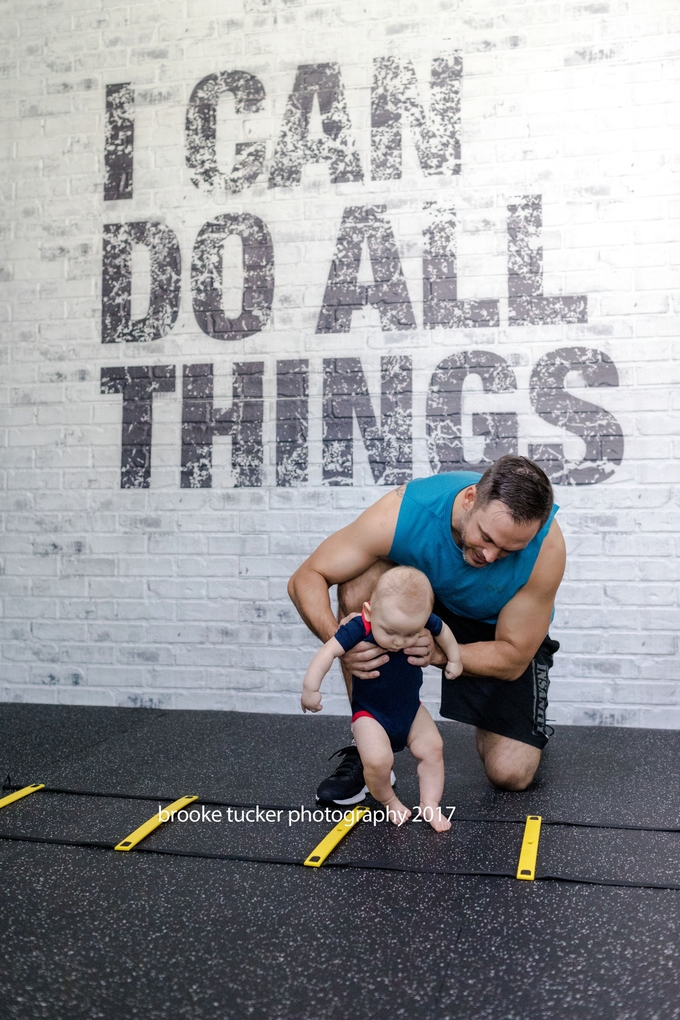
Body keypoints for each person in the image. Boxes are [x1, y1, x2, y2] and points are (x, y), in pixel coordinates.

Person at [288, 455, 566, 806]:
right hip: (425, 603)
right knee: (360, 582)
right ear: (470, 499)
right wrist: (340, 640)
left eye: (510, 550)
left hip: (496, 628)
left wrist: (438, 652)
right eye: (486, 537)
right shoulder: (406, 511)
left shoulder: (547, 548)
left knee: (511, 773)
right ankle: (371, 748)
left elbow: (512, 656)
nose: (491, 556)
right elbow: (306, 578)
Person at [301, 566, 463, 831]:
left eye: (410, 633)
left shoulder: (420, 620)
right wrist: (311, 687)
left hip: (410, 710)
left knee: (433, 748)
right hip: (371, 714)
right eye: (390, 632)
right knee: (377, 762)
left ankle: (430, 804)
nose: (399, 642)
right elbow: (328, 652)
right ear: (369, 612)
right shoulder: (359, 627)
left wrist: (454, 658)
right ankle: (389, 801)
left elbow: (443, 631)